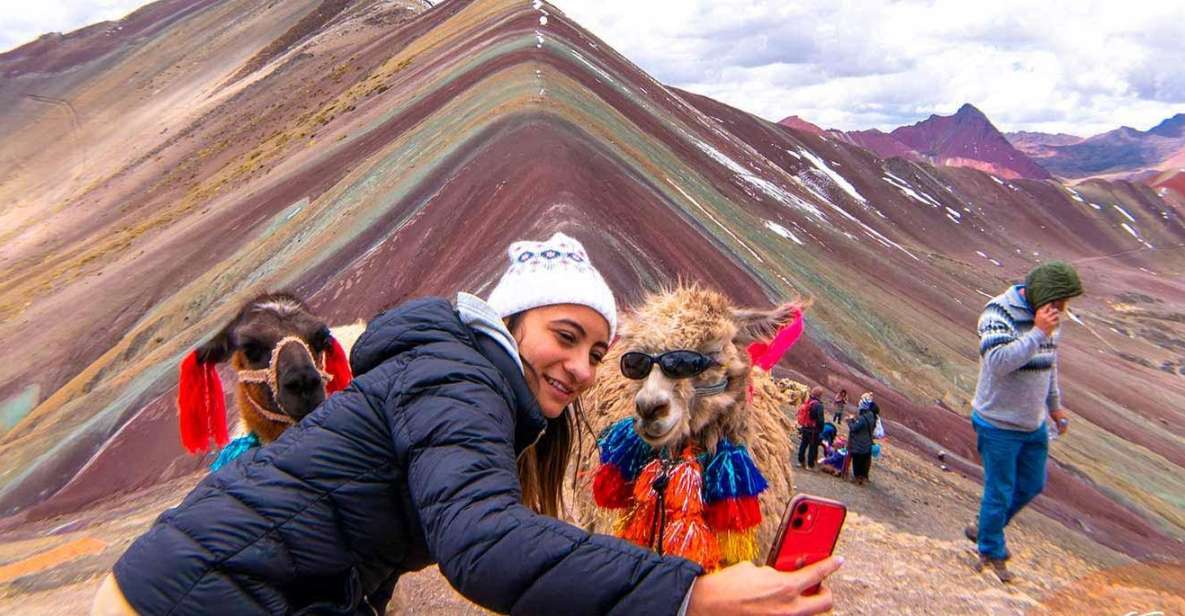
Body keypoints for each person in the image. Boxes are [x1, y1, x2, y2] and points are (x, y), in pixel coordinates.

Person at [92, 233, 842, 616]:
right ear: (509, 322)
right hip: (190, 595)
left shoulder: (469, 384)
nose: (582, 368)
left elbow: (361, 536)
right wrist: (692, 595)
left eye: (598, 352)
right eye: (563, 335)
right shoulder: (458, 379)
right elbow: (481, 544)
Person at [965, 261, 1082, 582]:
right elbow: (998, 362)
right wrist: (1037, 333)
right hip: (998, 422)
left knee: (1032, 484)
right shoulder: (997, 314)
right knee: (999, 489)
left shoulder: (1050, 320)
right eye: (1060, 302)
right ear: (1045, 295)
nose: (1063, 309)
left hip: (1033, 423)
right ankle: (991, 550)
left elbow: (1049, 365)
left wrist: (1055, 407)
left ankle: (986, 526)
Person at [846, 401, 876, 486]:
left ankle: (857, 478)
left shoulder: (862, 419)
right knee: (863, 461)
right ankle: (862, 477)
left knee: (857, 461)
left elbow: (854, 428)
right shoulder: (871, 415)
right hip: (867, 443)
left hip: (859, 444)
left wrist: (850, 421)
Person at [796, 387, 826, 469]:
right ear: (819, 395)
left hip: (805, 427)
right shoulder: (818, 405)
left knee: (803, 445)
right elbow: (820, 419)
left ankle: (801, 461)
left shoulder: (808, 401)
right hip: (813, 430)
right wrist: (821, 429)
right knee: (812, 447)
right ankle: (810, 464)